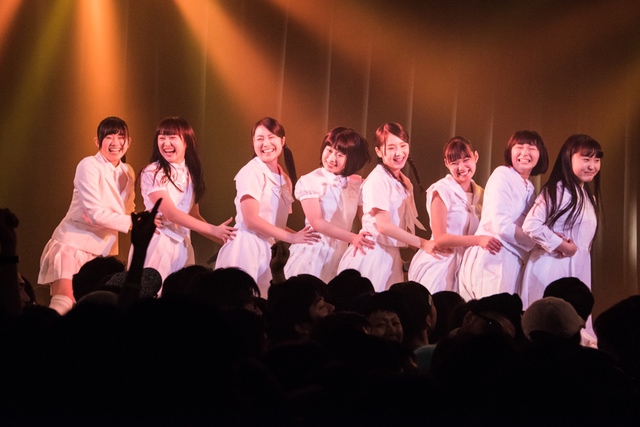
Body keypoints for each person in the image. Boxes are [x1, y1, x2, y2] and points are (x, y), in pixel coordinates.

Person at [38, 117, 136, 315]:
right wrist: (136, 222)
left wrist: (147, 220)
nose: (115, 142)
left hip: (101, 252)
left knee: (93, 309)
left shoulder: (128, 171)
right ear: (97, 141)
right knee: (64, 303)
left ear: (128, 142)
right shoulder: (88, 165)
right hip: (73, 245)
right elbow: (94, 213)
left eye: (121, 137)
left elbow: (128, 210)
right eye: (109, 137)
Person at [337, 122, 448, 292]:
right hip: (372, 255)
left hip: (391, 257)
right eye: (391, 148)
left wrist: (435, 244)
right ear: (379, 151)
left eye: (403, 145)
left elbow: (405, 227)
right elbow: (384, 226)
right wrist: (424, 244)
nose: (398, 153)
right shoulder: (377, 180)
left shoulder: (405, 182)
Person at [215, 117, 319, 296]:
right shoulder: (251, 172)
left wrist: (304, 237)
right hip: (246, 247)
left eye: (271, 137)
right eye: (260, 139)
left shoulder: (285, 178)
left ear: (282, 141)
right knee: (240, 300)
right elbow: (251, 220)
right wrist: (292, 238)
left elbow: (276, 224)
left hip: (269, 248)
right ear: (253, 143)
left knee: (262, 302)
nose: (266, 144)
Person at [138, 117, 236, 284]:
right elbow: (171, 214)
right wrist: (214, 230)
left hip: (183, 245)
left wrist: (224, 240)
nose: (166, 143)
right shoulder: (152, 172)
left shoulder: (191, 173)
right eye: (162, 138)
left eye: (172, 137)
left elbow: (194, 216)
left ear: (186, 142)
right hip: (157, 244)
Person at [458, 130, 549, 301]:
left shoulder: (529, 187)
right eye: (519, 146)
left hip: (510, 259)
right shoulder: (503, 174)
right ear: (510, 151)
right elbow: (502, 225)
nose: (525, 152)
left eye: (531, 148)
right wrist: (542, 241)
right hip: (494, 257)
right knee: (492, 313)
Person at [408, 136, 501, 293]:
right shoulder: (441, 190)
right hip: (440, 264)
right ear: (446, 163)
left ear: (476, 157)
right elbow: (440, 239)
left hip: (469, 266)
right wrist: (479, 240)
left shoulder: (482, 193)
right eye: (455, 162)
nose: (461, 167)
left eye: (466, 160)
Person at [520, 134, 602, 308]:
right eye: (586, 159)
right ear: (568, 158)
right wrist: (563, 246)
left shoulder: (587, 196)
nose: (592, 166)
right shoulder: (557, 190)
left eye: (596, 160)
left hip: (576, 269)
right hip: (552, 269)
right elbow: (531, 225)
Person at [284, 127, 373, 282]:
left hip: (340, 254)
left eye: (340, 154)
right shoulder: (311, 180)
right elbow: (316, 222)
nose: (332, 158)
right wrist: (352, 237)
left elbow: (365, 218)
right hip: (314, 252)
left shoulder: (356, 183)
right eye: (329, 150)